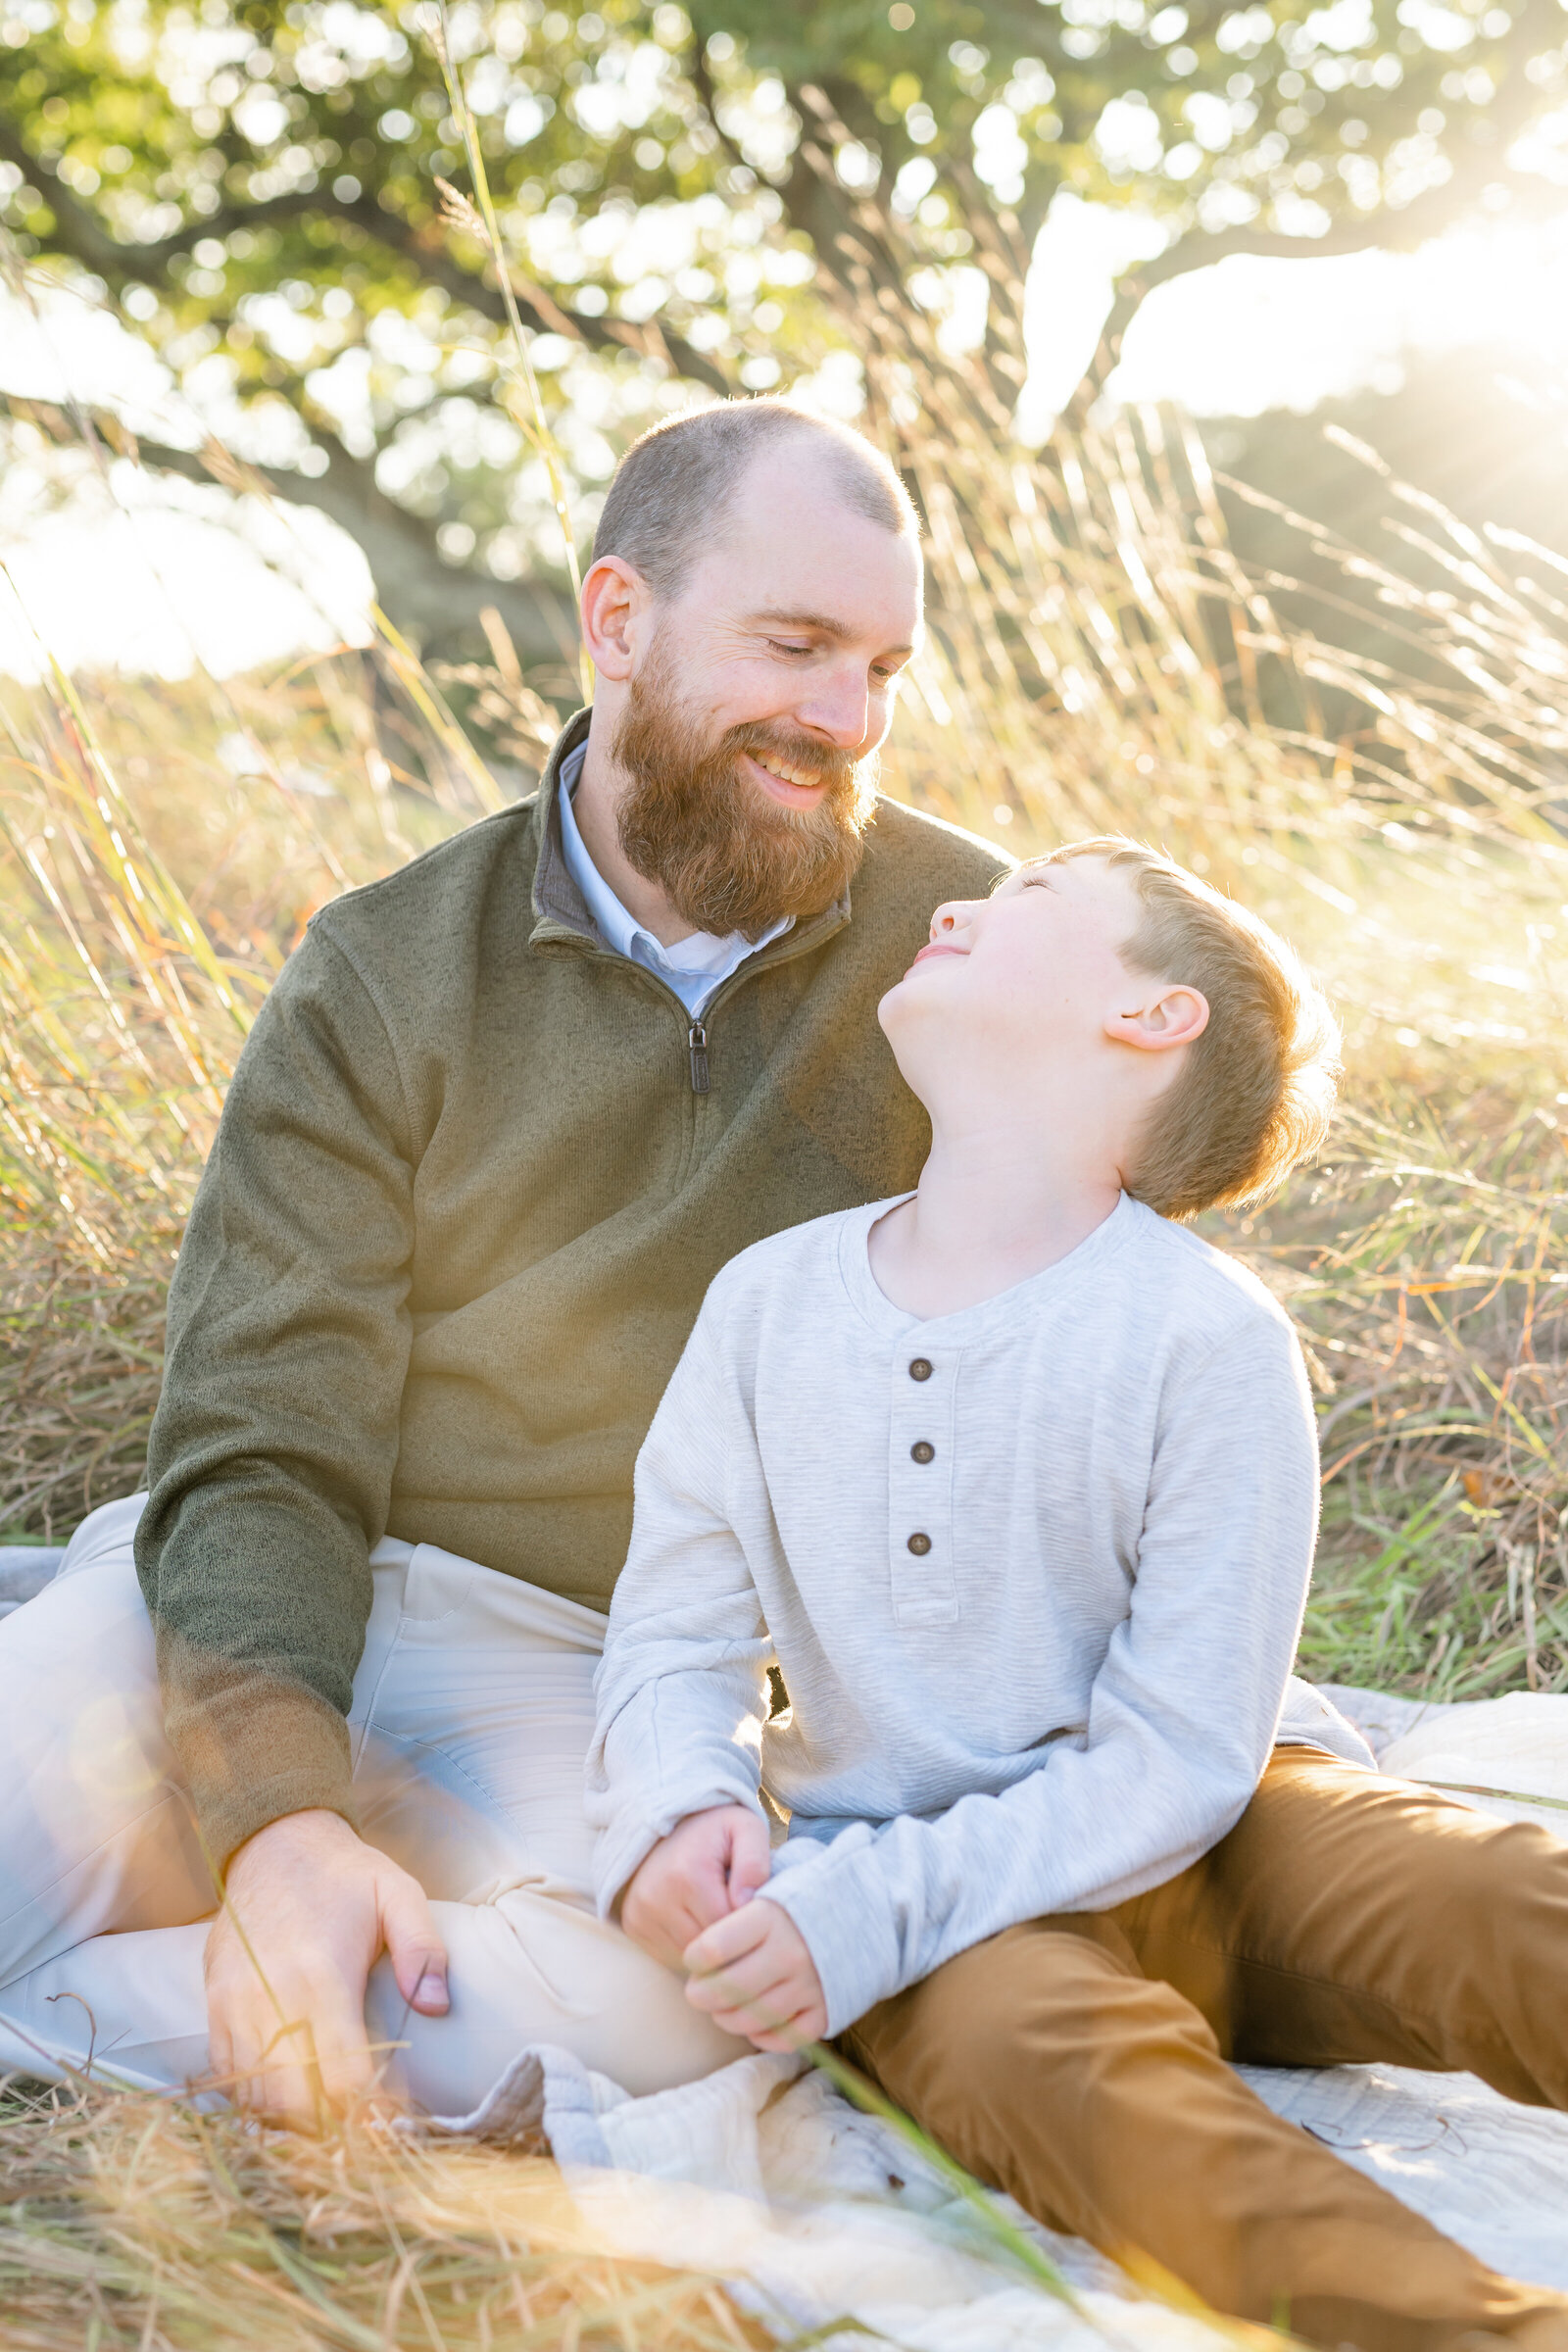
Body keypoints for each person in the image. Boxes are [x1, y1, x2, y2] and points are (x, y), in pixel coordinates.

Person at [0, 398, 1010, 2129]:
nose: (846, 720)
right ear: (617, 622)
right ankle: (245, 1901)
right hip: (285, 1593)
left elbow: (1103, 1332)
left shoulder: (968, 948)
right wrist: (284, 1813)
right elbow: (259, 1438)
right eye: (796, 647)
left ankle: (130, 2008)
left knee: (689, 2016)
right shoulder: (387, 967)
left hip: (603, 1675)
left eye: (885, 668)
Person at [590, 839, 1568, 2352]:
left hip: (1231, 1837)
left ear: (1154, 1017)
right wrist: (678, 1807)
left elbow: (1180, 1758)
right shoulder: (768, 1303)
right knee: (1066, 2080)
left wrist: (863, 1904)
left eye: (1032, 899)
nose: (958, 904)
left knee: (1500, 1900)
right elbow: (676, 1630)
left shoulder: (1208, 1337)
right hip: (933, 1906)